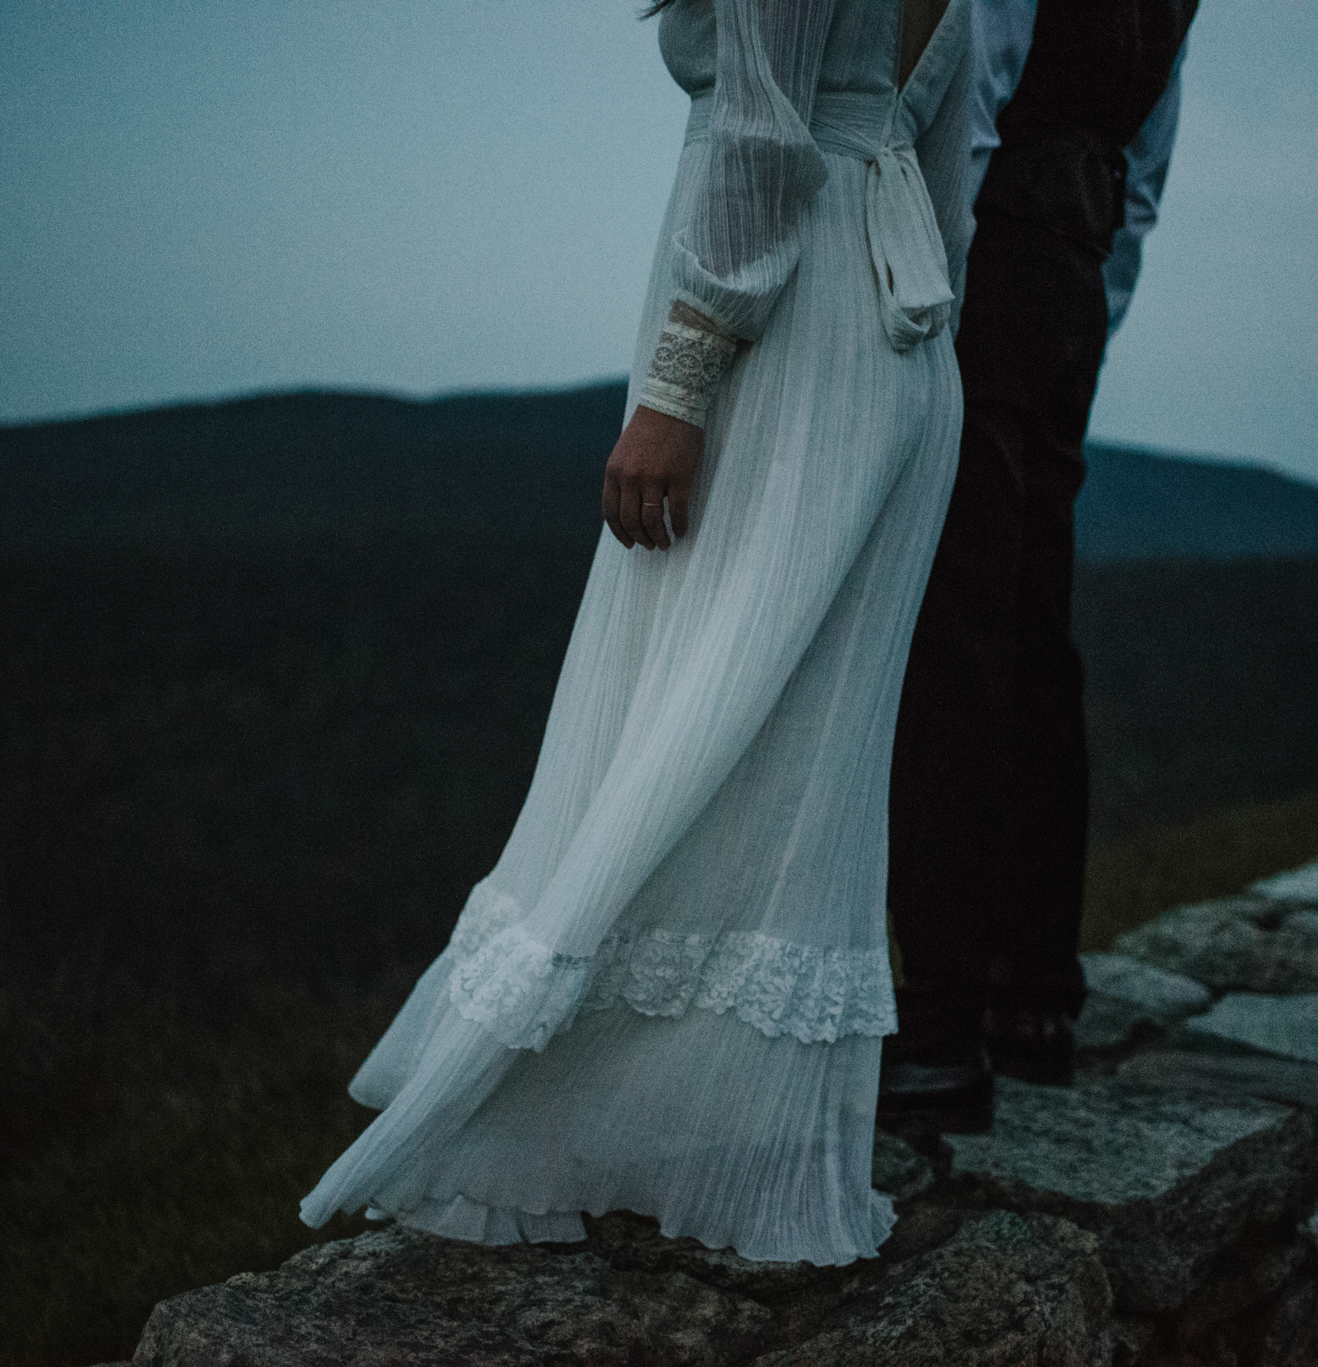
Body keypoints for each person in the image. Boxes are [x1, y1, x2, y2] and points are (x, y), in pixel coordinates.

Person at [300, 0, 989, 1267]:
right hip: (901, 331)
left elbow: (762, 133)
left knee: (676, 707)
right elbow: (956, 154)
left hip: (783, 338)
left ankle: (582, 1108)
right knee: (789, 748)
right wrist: (916, 342)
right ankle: (728, 1133)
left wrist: (678, 382)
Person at [881, 0, 1197, 1132]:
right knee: (1026, 629)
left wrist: (932, 307)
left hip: (991, 263)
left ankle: (938, 1026)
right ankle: (1032, 997)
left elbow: (974, 95)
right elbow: (1141, 178)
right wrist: (1090, 317)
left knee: (955, 640)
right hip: (1067, 278)